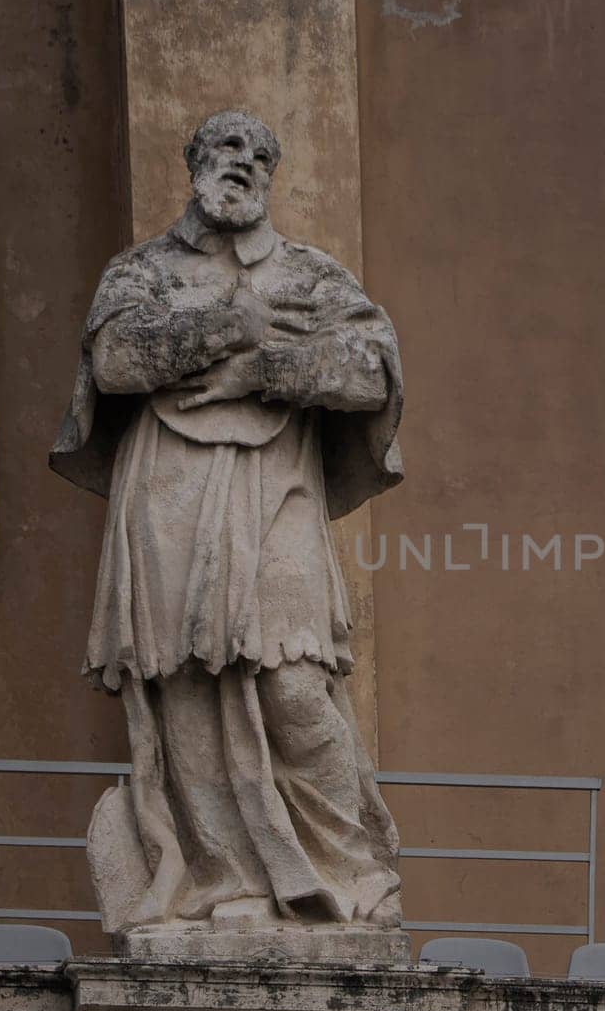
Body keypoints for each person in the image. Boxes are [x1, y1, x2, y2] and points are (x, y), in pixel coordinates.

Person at [51, 110, 405, 939]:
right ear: (195, 164)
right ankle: (224, 881)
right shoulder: (140, 272)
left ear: (272, 175)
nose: (241, 164)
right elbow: (114, 361)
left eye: (258, 155)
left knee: (294, 679)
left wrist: (262, 366)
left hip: (274, 492)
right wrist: (227, 324)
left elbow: (366, 373)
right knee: (184, 684)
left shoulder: (313, 276)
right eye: (225, 149)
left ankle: (353, 877)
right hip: (167, 498)